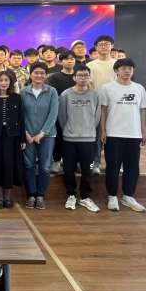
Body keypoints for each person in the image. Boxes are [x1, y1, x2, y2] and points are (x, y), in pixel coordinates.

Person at [100, 58, 146, 212]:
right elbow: (103, 111)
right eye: (124, 68)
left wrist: (143, 131)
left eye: (130, 68)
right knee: (112, 166)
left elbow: (142, 111)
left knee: (132, 167)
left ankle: (128, 196)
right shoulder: (107, 88)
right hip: (113, 133)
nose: (127, 71)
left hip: (134, 134)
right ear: (116, 71)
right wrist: (103, 130)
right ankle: (112, 196)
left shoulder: (139, 88)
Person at [59, 66, 101, 213]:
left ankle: (85, 197)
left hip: (89, 139)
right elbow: (62, 116)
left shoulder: (95, 95)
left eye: (86, 75)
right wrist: (69, 130)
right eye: (80, 75)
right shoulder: (66, 94)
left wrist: (89, 130)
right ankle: (71, 195)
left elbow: (97, 117)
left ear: (89, 77)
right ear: (74, 77)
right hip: (70, 138)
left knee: (87, 170)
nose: (83, 78)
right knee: (68, 169)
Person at [0, 71, 27, 210]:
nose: (3, 83)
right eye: (1, 80)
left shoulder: (17, 98)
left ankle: (8, 197)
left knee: (10, 166)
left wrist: (22, 139)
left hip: (12, 137)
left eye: (6, 80)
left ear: (10, 82)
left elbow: (21, 119)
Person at [20, 63, 59, 211]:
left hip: (47, 136)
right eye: (36, 72)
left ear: (46, 75)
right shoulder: (23, 92)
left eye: (42, 73)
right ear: (30, 74)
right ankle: (31, 194)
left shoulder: (52, 91)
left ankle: (41, 195)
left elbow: (53, 114)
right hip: (28, 136)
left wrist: (43, 133)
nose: (39, 75)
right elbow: (21, 115)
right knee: (29, 165)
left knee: (45, 166)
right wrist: (26, 133)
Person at [88, 35, 117, 175]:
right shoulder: (90, 65)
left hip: (114, 105)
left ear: (112, 46)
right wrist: (97, 98)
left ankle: (115, 164)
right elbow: (89, 83)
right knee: (97, 135)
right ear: (96, 47)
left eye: (107, 44)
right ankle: (96, 162)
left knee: (114, 136)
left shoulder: (118, 64)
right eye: (101, 44)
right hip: (96, 105)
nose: (104, 46)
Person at [48, 50, 77, 174]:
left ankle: (73, 160)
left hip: (76, 110)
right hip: (60, 110)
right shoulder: (55, 76)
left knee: (74, 137)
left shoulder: (78, 75)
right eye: (66, 59)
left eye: (72, 58)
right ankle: (56, 160)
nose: (69, 61)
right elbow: (53, 94)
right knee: (59, 135)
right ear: (60, 61)